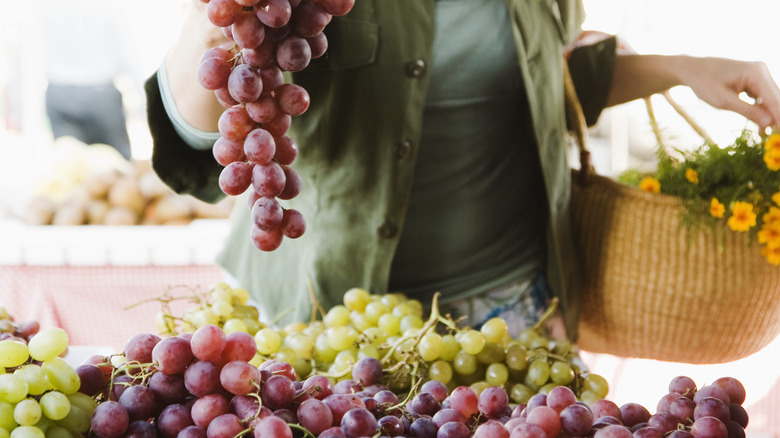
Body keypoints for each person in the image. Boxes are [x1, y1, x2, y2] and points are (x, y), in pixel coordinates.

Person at [146, 0, 780, 340]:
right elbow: (201, 142)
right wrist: (213, 23)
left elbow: (544, 80)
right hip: (327, 323)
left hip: (513, 310)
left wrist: (685, 68)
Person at [43, 0, 143, 160]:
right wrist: (146, 100)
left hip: (60, 92)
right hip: (100, 94)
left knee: (70, 169)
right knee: (117, 168)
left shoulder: (47, 5)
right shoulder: (108, 6)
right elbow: (129, 55)